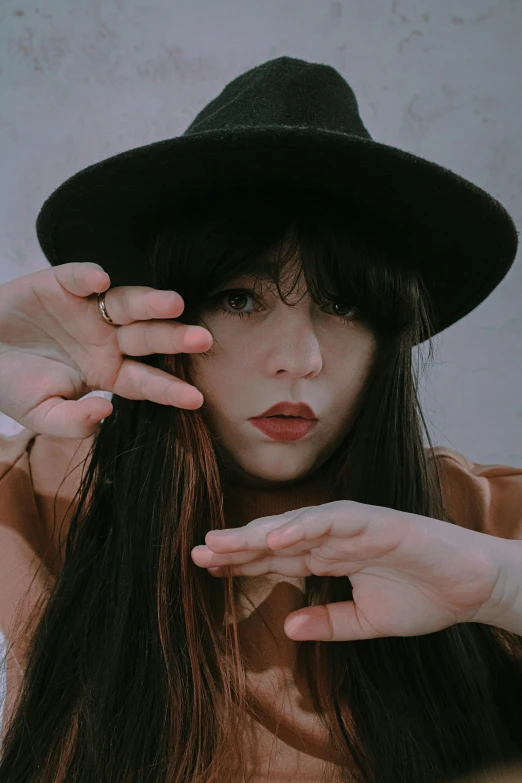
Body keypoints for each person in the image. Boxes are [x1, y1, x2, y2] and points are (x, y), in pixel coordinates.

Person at [0, 56, 521, 783]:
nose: (299, 358)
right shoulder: (45, 493)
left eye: (344, 305)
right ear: (162, 310)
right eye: (241, 298)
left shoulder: (479, 516)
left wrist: (499, 586)